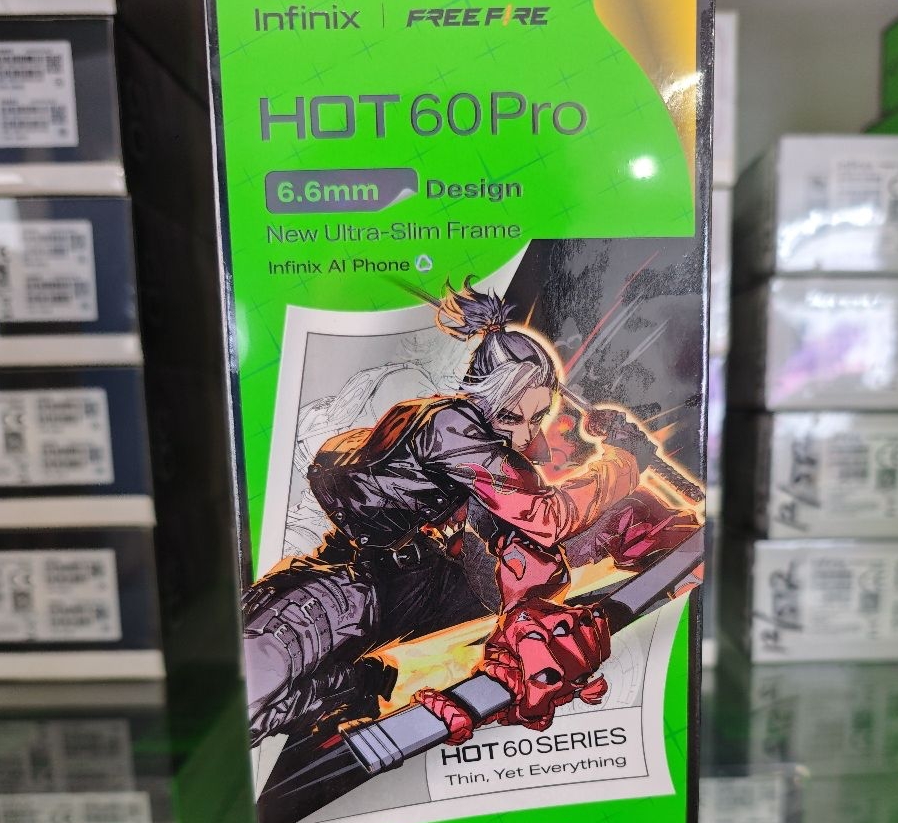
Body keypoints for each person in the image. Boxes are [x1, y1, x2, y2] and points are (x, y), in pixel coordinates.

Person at [242, 278, 698, 744]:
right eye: (513, 417)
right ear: (485, 395)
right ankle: (352, 691)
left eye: (537, 418)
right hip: (345, 591)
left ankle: (659, 548)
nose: (525, 435)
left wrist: (528, 620)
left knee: (580, 539)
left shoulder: (479, 442)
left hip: (418, 583)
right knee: (249, 689)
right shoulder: (448, 424)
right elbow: (547, 516)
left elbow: (522, 532)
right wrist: (622, 460)